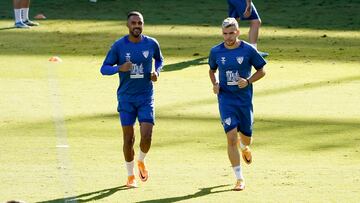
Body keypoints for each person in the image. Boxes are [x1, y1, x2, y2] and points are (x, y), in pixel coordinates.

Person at [100, 11, 163, 188]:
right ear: (128, 25)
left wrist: (156, 72)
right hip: (126, 98)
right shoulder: (119, 46)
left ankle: (141, 160)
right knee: (128, 139)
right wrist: (120, 67)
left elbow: (159, 60)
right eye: (133, 23)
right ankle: (130, 176)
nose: (137, 26)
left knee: (147, 135)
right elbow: (104, 68)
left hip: (145, 96)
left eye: (139, 23)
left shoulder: (151, 43)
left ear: (143, 25)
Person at [208, 17, 266, 191]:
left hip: (244, 101)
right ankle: (239, 178)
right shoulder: (216, 51)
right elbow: (212, 70)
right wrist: (215, 83)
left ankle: (244, 146)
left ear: (238, 32)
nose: (228, 37)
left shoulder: (248, 50)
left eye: (231, 33)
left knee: (246, 137)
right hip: (226, 99)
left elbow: (262, 70)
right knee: (231, 137)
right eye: (225, 33)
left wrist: (248, 81)